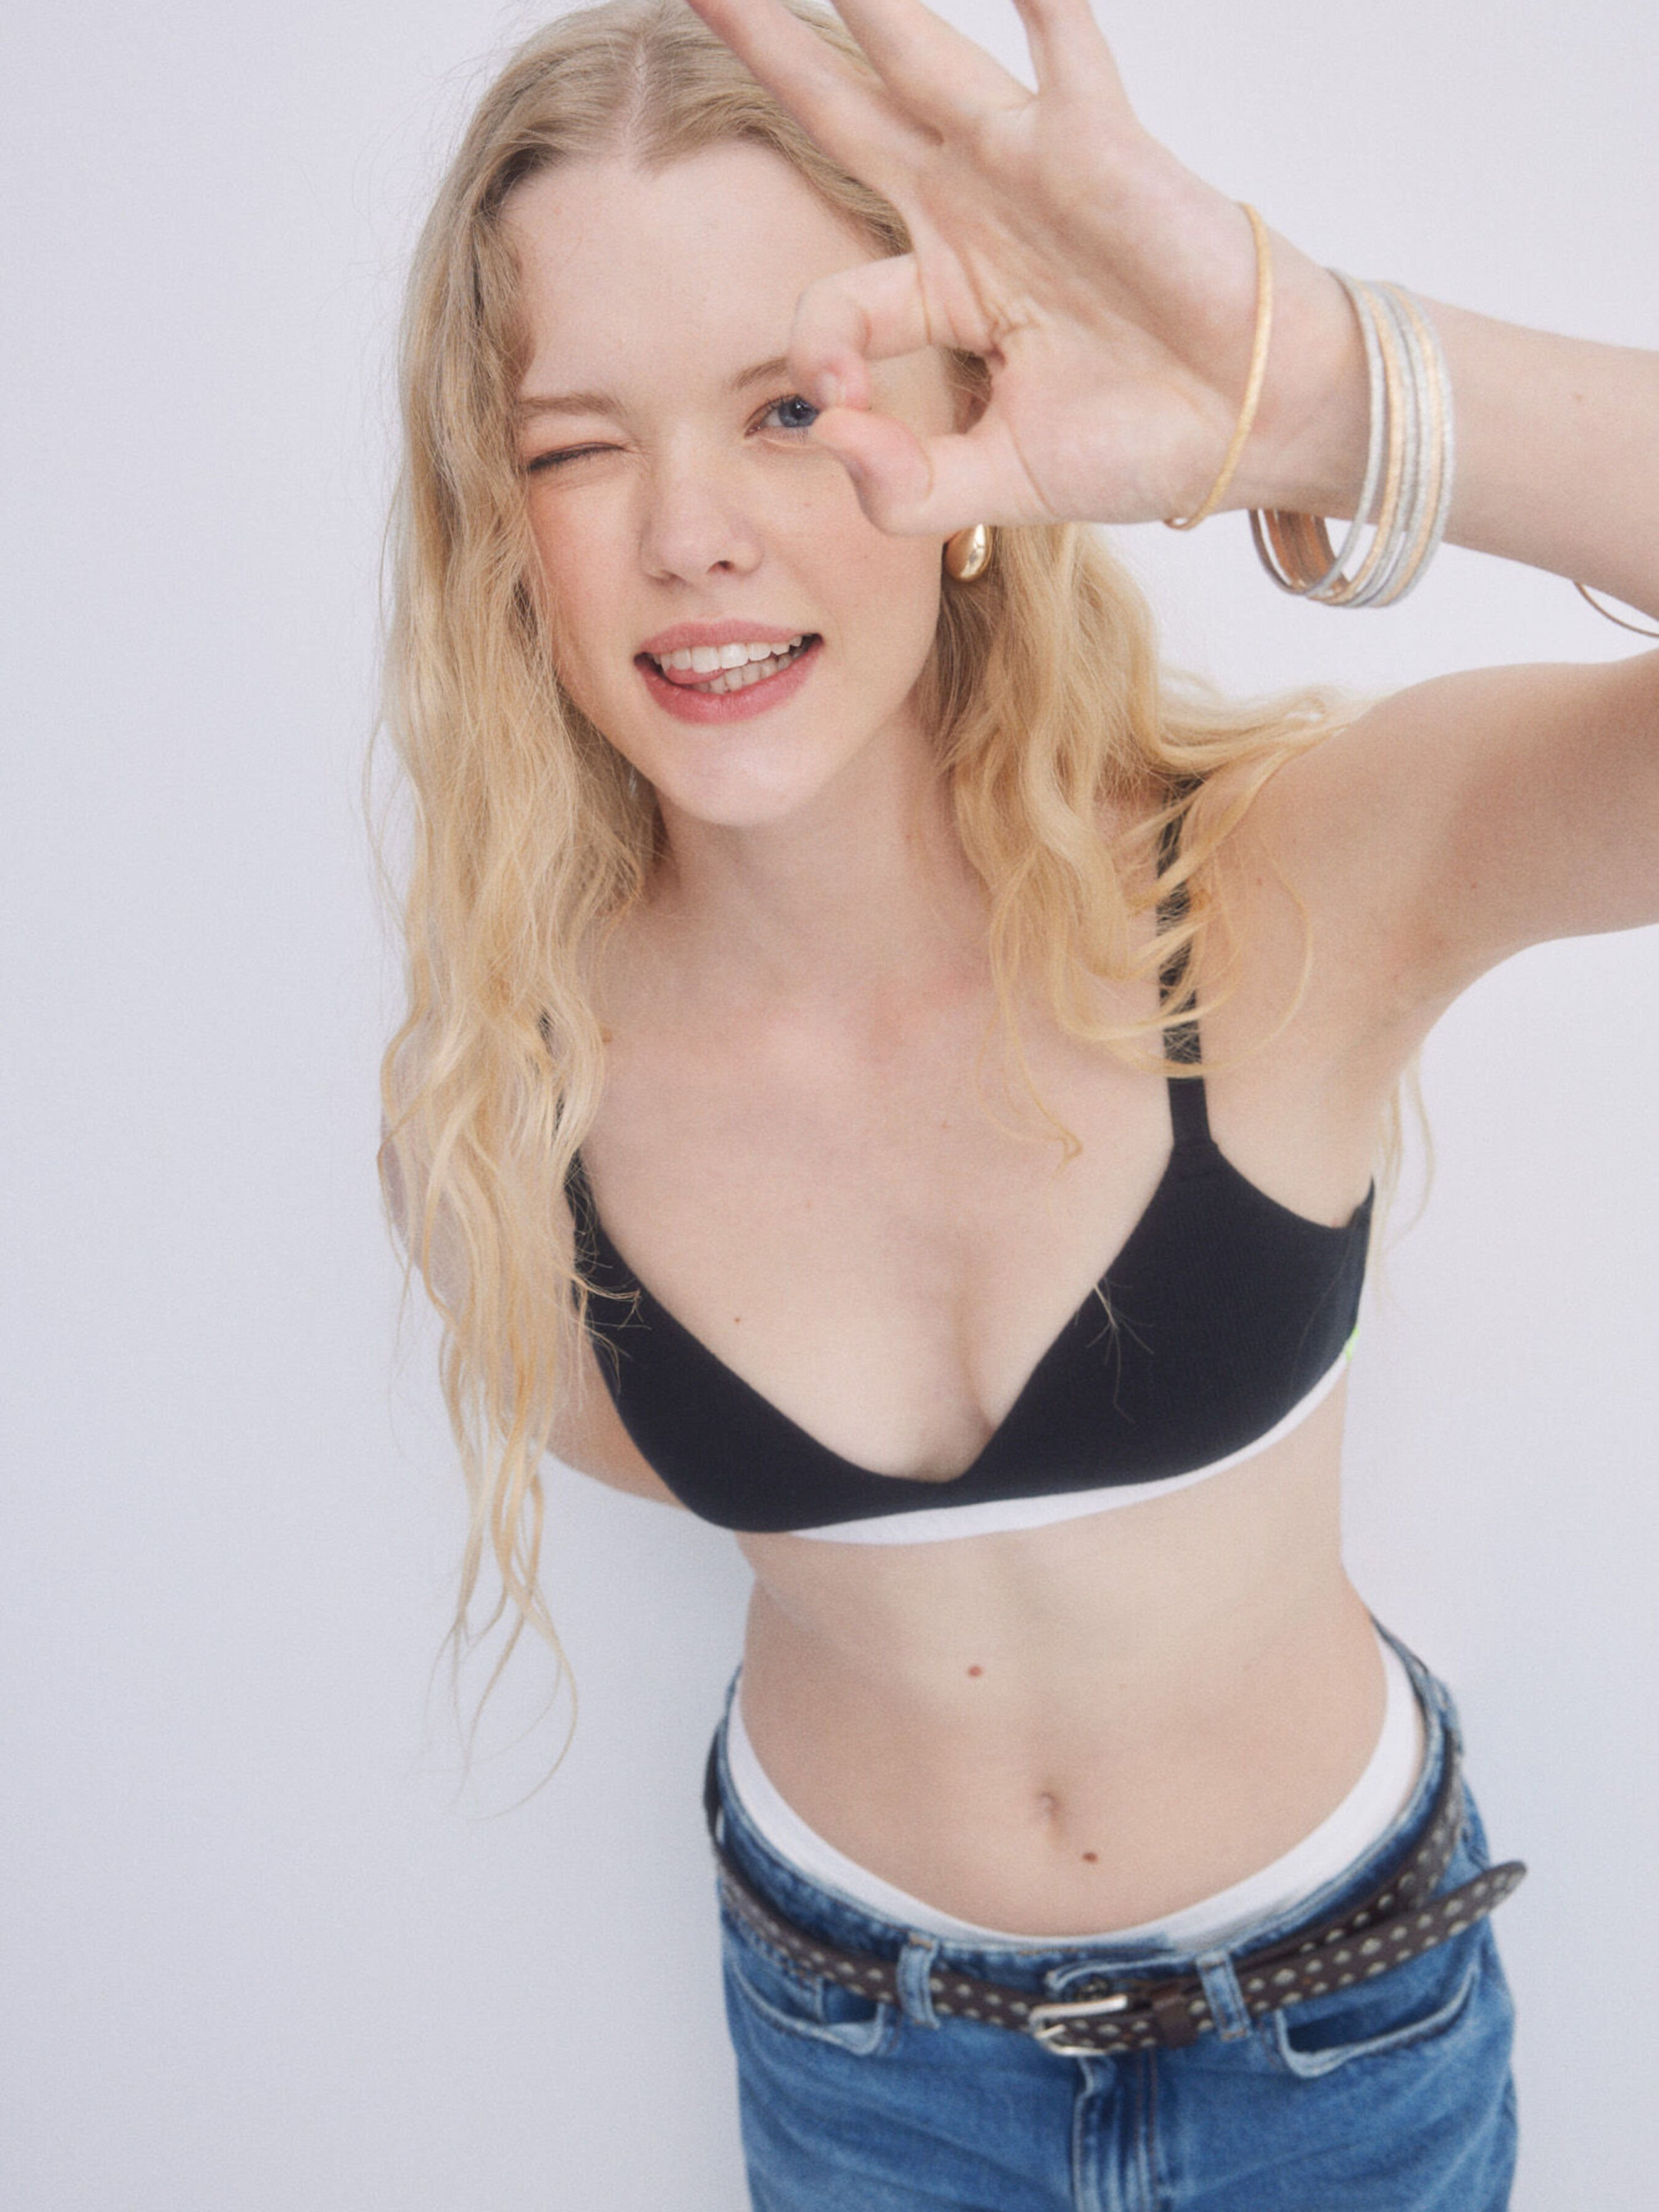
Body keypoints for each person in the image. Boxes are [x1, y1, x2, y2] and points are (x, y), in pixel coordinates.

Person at [374, 0, 1659, 2202]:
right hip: (857, 2066)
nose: (690, 532)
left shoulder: (1286, 893)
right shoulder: (497, 1104)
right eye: (577, 446)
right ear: (494, 528)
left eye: (791, 406)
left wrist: (1309, 388)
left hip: (1346, 2039)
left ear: (974, 425)